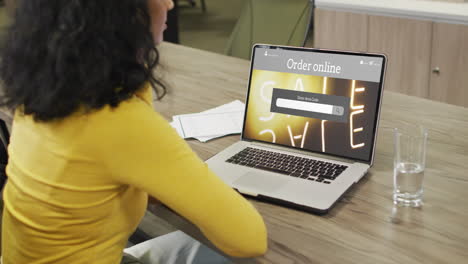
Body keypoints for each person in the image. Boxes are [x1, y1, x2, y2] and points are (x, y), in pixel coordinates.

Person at [0, 0, 267, 263]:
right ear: (120, 13)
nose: (170, 5)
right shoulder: (117, 121)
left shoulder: (41, 95)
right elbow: (249, 239)